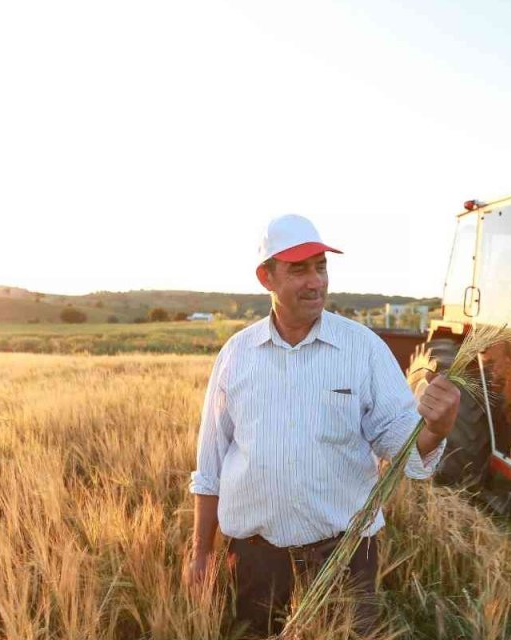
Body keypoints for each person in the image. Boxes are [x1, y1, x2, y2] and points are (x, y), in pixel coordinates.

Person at [183, 214, 461, 637]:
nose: (315, 281)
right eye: (298, 269)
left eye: (321, 266)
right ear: (266, 277)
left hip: (345, 557)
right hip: (257, 564)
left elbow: (402, 446)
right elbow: (210, 467)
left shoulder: (363, 349)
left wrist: (437, 428)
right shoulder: (236, 356)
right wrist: (200, 553)